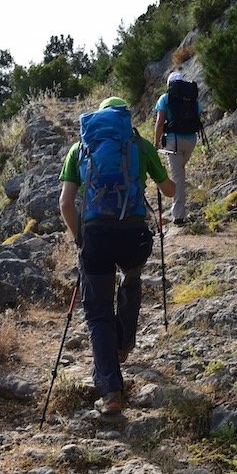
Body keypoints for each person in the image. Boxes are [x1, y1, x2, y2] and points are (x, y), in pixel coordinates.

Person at [59, 96, 175, 419]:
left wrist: (80, 237)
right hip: (133, 236)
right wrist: (175, 183)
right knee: (132, 278)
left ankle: (111, 394)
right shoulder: (137, 144)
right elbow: (168, 190)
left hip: (96, 236)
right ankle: (124, 343)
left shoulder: (81, 147)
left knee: (97, 313)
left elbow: (66, 203)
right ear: (125, 117)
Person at [153, 70, 202, 225]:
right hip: (191, 140)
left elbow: (160, 122)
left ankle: (178, 217)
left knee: (178, 177)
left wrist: (156, 143)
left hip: (174, 141)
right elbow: (198, 117)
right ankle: (178, 207)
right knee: (180, 173)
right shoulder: (191, 98)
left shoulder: (165, 98)